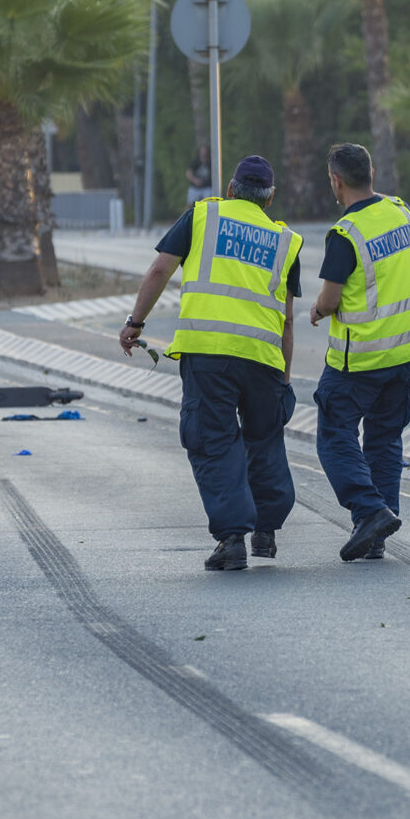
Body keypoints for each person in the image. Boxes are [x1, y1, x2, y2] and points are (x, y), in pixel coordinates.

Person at [121, 155, 303, 570]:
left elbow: (159, 270)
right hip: (264, 358)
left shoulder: (203, 216)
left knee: (213, 440)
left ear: (231, 189)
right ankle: (266, 533)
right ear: (270, 198)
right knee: (264, 438)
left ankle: (233, 539)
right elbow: (288, 319)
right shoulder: (285, 241)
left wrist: (135, 323)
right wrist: (285, 378)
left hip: (209, 355)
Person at [309, 143, 410, 561]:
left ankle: (370, 510)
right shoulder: (401, 212)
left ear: (336, 181)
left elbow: (330, 299)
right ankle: (376, 532)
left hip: (358, 359)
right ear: (372, 172)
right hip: (404, 353)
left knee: (334, 435)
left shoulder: (345, 234)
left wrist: (317, 311)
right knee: (384, 440)